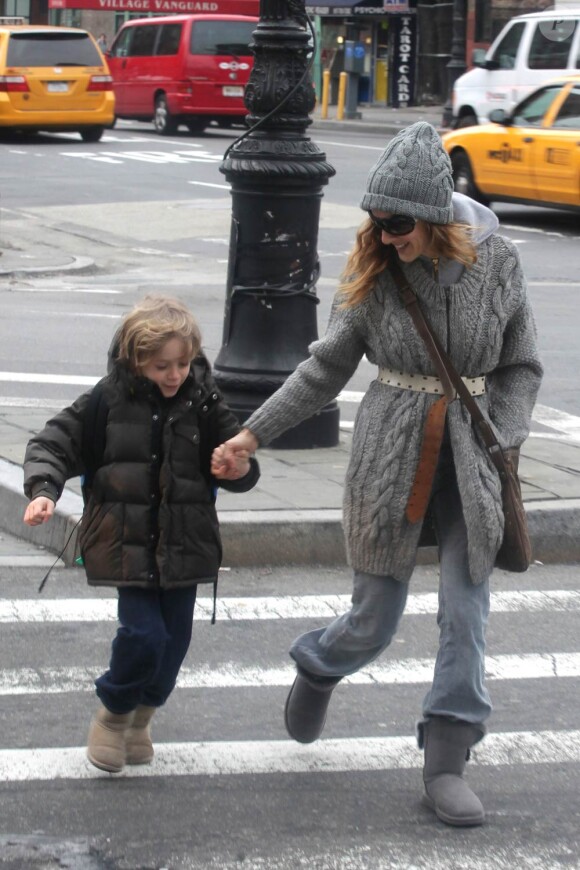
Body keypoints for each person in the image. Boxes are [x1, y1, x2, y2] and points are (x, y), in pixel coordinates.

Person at [211, 122, 543, 827]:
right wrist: (250, 433)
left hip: (475, 457)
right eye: (378, 220)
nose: (385, 234)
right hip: (393, 452)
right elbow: (324, 367)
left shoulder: (499, 263)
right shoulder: (374, 271)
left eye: (397, 223)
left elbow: (521, 366)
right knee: (375, 619)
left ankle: (447, 758)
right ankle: (320, 663)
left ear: (432, 215)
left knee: (466, 611)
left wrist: (503, 435)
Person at [23, 295, 259, 774]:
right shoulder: (106, 400)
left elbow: (241, 465)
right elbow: (53, 443)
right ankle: (112, 715)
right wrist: (44, 490)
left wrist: (236, 466)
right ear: (134, 360)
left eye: (183, 364)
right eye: (161, 366)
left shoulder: (205, 402)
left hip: (186, 542)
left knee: (174, 646)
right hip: (123, 542)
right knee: (144, 634)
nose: (174, 375)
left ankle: (143, 716)